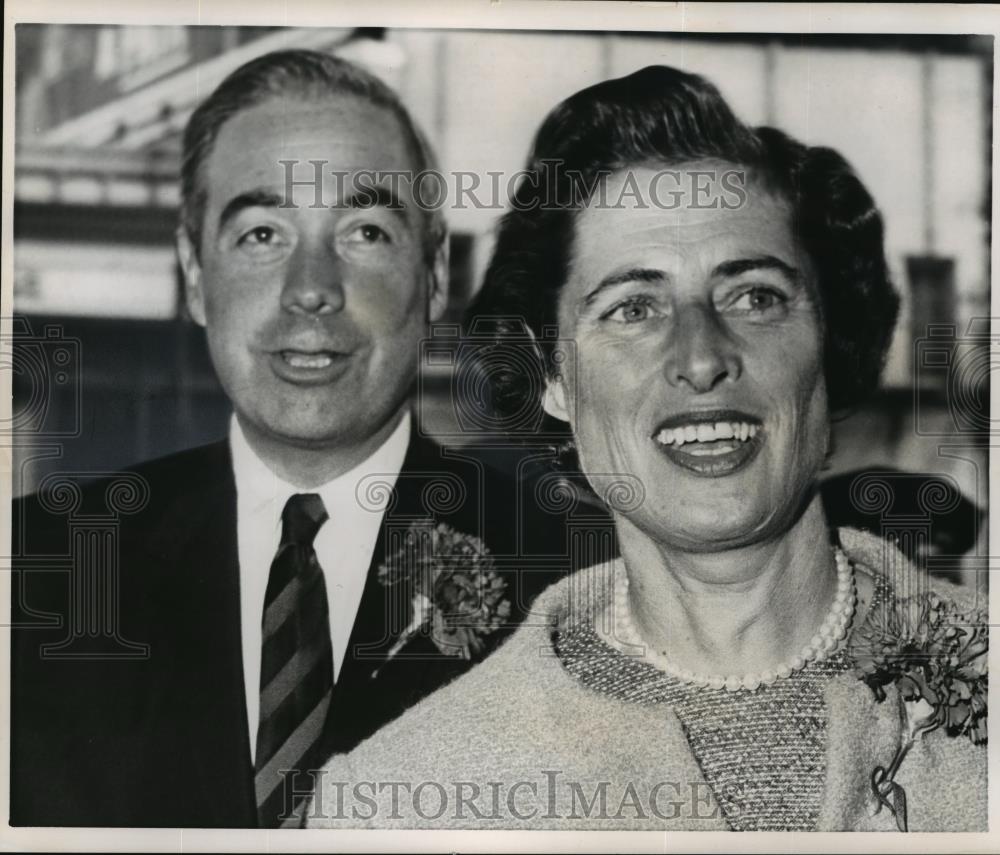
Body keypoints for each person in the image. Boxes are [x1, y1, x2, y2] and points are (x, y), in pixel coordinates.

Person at [309, 65, 987, 832]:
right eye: (632, 307)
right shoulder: (399, 799)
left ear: (828, 344)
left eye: (755, 295)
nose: (701, 358)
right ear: (552, 377)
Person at [10, 49, 578, 828]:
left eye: (365, 231)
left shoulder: (574, 578)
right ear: (194, 271)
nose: (311, 287)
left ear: (435, 273)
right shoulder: (39, 572)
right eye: (263, 233)